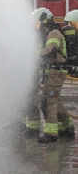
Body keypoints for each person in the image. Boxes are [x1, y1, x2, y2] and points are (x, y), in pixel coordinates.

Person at [27, 8, 75, 143]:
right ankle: (67, 128)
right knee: (55, 100)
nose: (35, 26)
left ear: (44, 21)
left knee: (48, 100)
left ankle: (51, 133)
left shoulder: (53, 33)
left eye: (37, 23)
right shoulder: (47, 33)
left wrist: (32, 53)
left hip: (56, 71)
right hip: (52, 71)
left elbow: (50, 51)